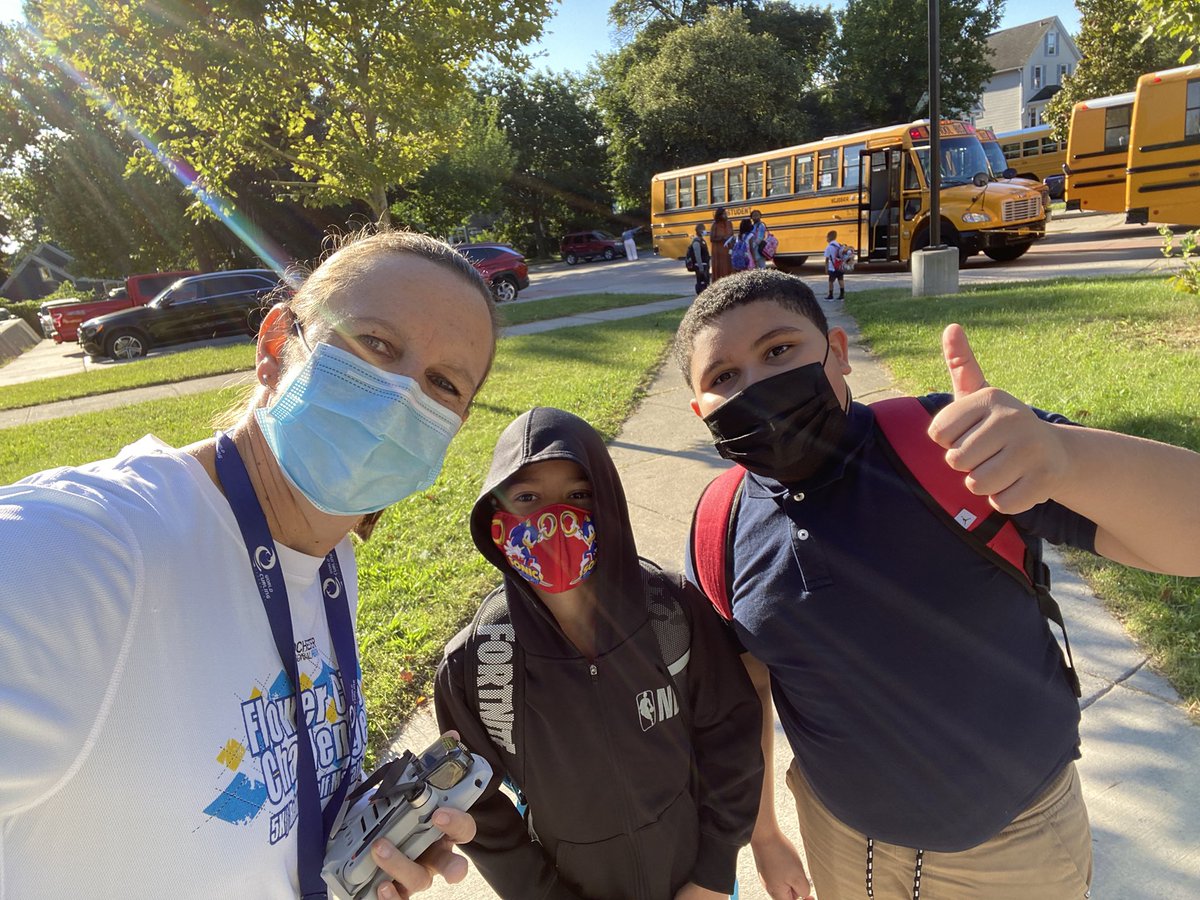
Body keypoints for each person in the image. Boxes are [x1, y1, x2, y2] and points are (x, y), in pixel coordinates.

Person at [0, 229, 500, 900]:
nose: (397, 399)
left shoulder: (330, 564)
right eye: (375, 343)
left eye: (443, 384)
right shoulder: (87, 551)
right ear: (274, 346)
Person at [671, 269, 1200, 900]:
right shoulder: (718, 529)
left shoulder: (954, 450)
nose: (757, 384)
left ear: (838, 353)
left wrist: (1065, 456)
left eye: (779, 350)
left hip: (1012, 844)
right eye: (724, 378)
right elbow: (748, 688)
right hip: (840, 840)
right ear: (702, 411)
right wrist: (765, 836)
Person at [434, 407, 764, 900]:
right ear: (496, 521)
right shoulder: (480, 662)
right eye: (527, 498)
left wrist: (715, 870)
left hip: (696, 882)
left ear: (608, 502)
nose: (555, 519)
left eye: (579, 495)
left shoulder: (672, 613)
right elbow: (475, 800)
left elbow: (730, 734)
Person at [823, 229, 850, 300]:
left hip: (832, 267)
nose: (826, 239)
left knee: (831, 282)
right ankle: (842, 295)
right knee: (841, 280)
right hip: (840, 266)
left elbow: (827, 259)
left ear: (829, 237)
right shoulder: (839, 245)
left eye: (827, 237)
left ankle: (830, 295)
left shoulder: (829, 247)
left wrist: (826, 268)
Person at [709, 207, 733, 282]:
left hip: (728, 250)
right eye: (724, 214)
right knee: (720, 267)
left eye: (726, 213)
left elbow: (732, 235)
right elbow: (712, 238)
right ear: (719, 215)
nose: (726, 215)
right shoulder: (715, 225)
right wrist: (722, 238)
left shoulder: (729, 223)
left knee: (729, 267)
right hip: (718, 252)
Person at [687, 223, 711, 295]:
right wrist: (701, 268)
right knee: (701, 282)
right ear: (700, 230)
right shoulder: (697, 242)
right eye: (703, 229)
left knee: (706, 282)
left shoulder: (701, 240)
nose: (705, 231)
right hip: (700, 266)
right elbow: (698, 256)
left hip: (704, 265)